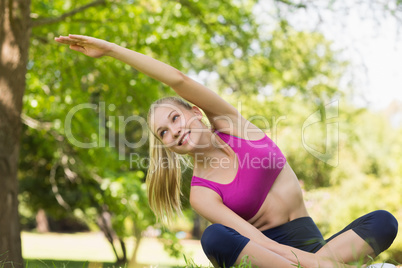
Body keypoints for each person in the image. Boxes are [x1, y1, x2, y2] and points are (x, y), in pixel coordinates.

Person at [55, 34, 398, 268]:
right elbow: (260, 243)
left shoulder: (234, 125)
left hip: (315, 247)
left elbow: (178, 79)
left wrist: (114, 50)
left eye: (175, 118)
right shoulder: (202, 194)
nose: (174, 130)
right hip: (271, 259)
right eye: (164, 132)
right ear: (167, 146)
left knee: (383, 221)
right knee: (215, 237)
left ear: (195, 112)